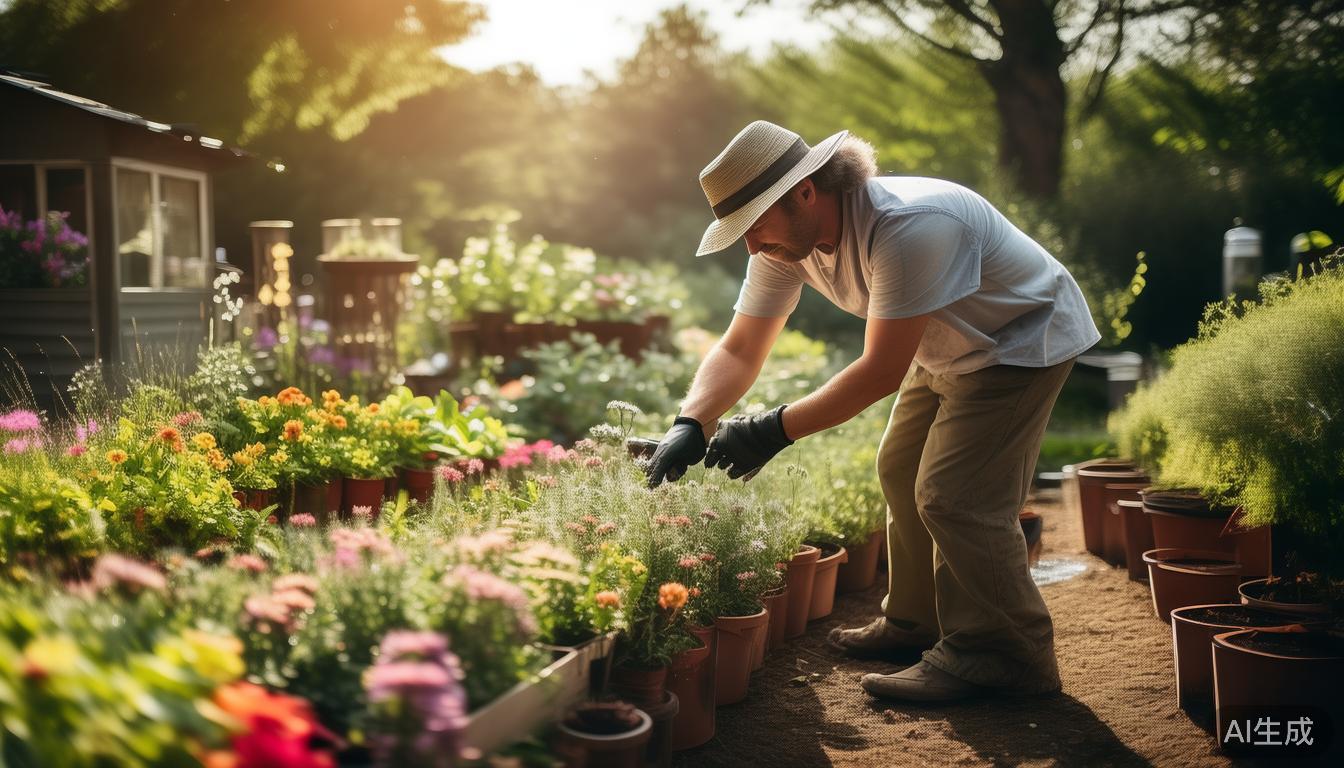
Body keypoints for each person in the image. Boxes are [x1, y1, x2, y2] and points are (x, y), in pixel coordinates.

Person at [644, 120, 1101, 702]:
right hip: (945, 344)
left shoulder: (907, 226)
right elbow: (740, 347)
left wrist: (770, 431)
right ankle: (917, 622)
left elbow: (881, 371)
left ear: (805, 191)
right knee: (900, 469)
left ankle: (1002, 653)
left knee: (957, 496)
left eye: (754, 225)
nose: (751, 246)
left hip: (1019, 340)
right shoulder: (784, 244)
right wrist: (690, 421)